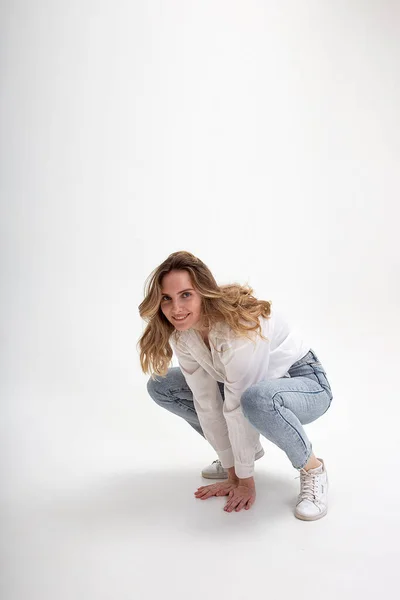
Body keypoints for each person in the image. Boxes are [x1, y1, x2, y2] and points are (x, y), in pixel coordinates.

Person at [138, 251, 333, 520]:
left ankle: (313, 469)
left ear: (203, 292)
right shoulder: (184, 334)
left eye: (186, 295)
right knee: (163, 385)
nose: (176, 309)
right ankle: (242, 456)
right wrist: (233, 471)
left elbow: (237, 403)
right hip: (253, 390)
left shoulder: (239, 324)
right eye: (166, 299)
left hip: (305, 385)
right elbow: (205, 401)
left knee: (255, 400)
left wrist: (245, 482)